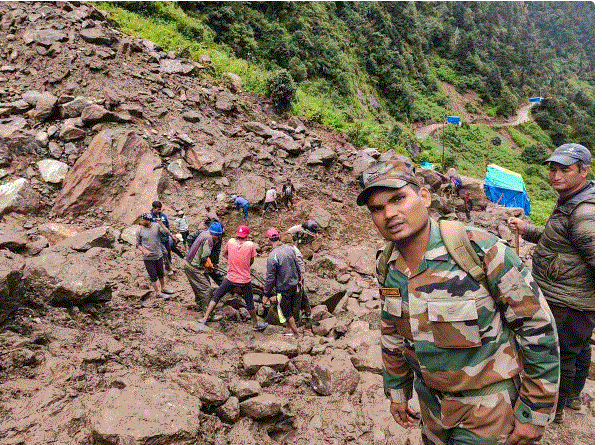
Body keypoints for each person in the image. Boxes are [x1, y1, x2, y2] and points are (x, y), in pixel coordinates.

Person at [357, 160, 559, 445]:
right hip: (431, 410)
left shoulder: (479, 250)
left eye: (398, 198)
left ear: (425, 197)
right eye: (376, 209)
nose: (389, 213)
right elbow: (392, 332)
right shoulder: (387, 267)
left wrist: (535, 411)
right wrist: (398, 391)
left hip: (488, 412)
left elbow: (537, 327)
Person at [507, 143, 594, 424]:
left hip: (567, 300)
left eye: (564, 170)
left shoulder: (583, 210)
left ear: (584, 170)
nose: (556, 175)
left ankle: (555, 410)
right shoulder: (573, 199)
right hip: (574, 299)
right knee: (578, 350)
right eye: (553, 169)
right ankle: (574, 398)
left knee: (562, 356)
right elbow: (560, 238)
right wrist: (527, 230)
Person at [199, 225, 267, 331]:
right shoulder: (250, 245)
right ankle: (255, 324)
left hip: (230, 277)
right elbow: (251, 261)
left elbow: (225, 255)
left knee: (216, 296)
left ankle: (205, 318)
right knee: (249, 302)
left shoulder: (230, 242)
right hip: (244, 279)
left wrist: (233, 260)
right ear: (247, 235)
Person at [262, 228, 302, 338]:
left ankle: (296, 333)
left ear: (269, 240)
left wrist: (266, 294)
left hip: (283, 287)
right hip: (293, 284)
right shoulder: (290, 249)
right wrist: (299, 282)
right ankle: (288, 329)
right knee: (290, 308)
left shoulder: (272, 256)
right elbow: (297, 266)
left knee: (286, 311)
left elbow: (270, 278)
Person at [184, 221, 223, 312]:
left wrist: (211, 263)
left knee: (198, 287)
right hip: (194, 267)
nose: (218, 238)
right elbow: (204, 256)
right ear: (216, 234)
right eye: (218, 236)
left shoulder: (203, 233)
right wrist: (208, 264)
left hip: (188, 264)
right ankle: (208, 313)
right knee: (207, 289)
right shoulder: (209, 239)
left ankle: (200, 305)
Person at [135, 213, 175, 299]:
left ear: (147, 220)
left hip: (158, 255)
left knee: (161, 274)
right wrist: (144, 250)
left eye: (142, 220)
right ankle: (158, 293)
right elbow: (137, 244)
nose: (140, 221)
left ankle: (163, 288)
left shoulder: (156, 226)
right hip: (148, 258)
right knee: (153, 276)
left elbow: (167, 233)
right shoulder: (139, 230)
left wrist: (161, 224)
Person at [150, 201, 175, 275]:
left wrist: (171, 235)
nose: (159, 211)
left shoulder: (163, 216)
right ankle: (168, 269)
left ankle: (170, 265)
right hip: (157, 240)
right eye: (158, 209)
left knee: (168, 253)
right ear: (153, 208)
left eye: (160, 209)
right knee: (164, 253)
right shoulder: (150, 217)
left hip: (166, 238)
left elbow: (167, 226)